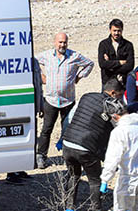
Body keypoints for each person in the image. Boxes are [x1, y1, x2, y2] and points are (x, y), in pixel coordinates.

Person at [60, 79, 123, 211]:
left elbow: (68, 118)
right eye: (119, 96)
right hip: (86, 148)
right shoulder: (112, 105)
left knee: (73, 175)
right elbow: (120, 128)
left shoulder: (86, 96)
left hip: (68, 143)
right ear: (113, 93)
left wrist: (63, 137)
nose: (119, 99)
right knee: (95, 181)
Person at [35, 32, 94, 170]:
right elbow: (33, 62)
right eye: (60, 42)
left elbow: (89, 64)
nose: (62, 45)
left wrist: (79, 76)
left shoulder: (74, 56)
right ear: (55, 42)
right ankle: (41, 155)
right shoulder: (47, 55)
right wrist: (40, 76)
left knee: (68, 130)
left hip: (68, 100)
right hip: (51, 100)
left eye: (64, 42)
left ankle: (69, 158)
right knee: (46, 129)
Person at [98, 18, 134, 88]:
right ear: (110, 30)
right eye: (114, 31)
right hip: (107, 82)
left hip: (122, 82)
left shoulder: (128, 45)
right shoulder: (103, 44)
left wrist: (111, 66)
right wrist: (120, 62)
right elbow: (102, 64)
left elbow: (130, 65)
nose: (116, 33)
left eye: (119, 31)